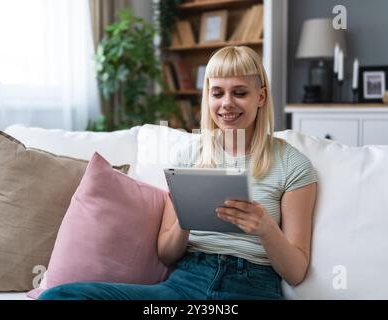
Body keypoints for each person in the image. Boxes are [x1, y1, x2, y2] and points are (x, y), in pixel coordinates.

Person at [38, 46, 318, 300]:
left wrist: (266, 228)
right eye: (217, 93)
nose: (226, 104)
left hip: (253, 286)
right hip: (185, 283)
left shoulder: (293, 166)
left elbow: (296, 272)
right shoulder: (189, 156)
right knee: (59, 297)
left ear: (261, 96)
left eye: (240, 93)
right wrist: (186, 221)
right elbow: (166, 253)